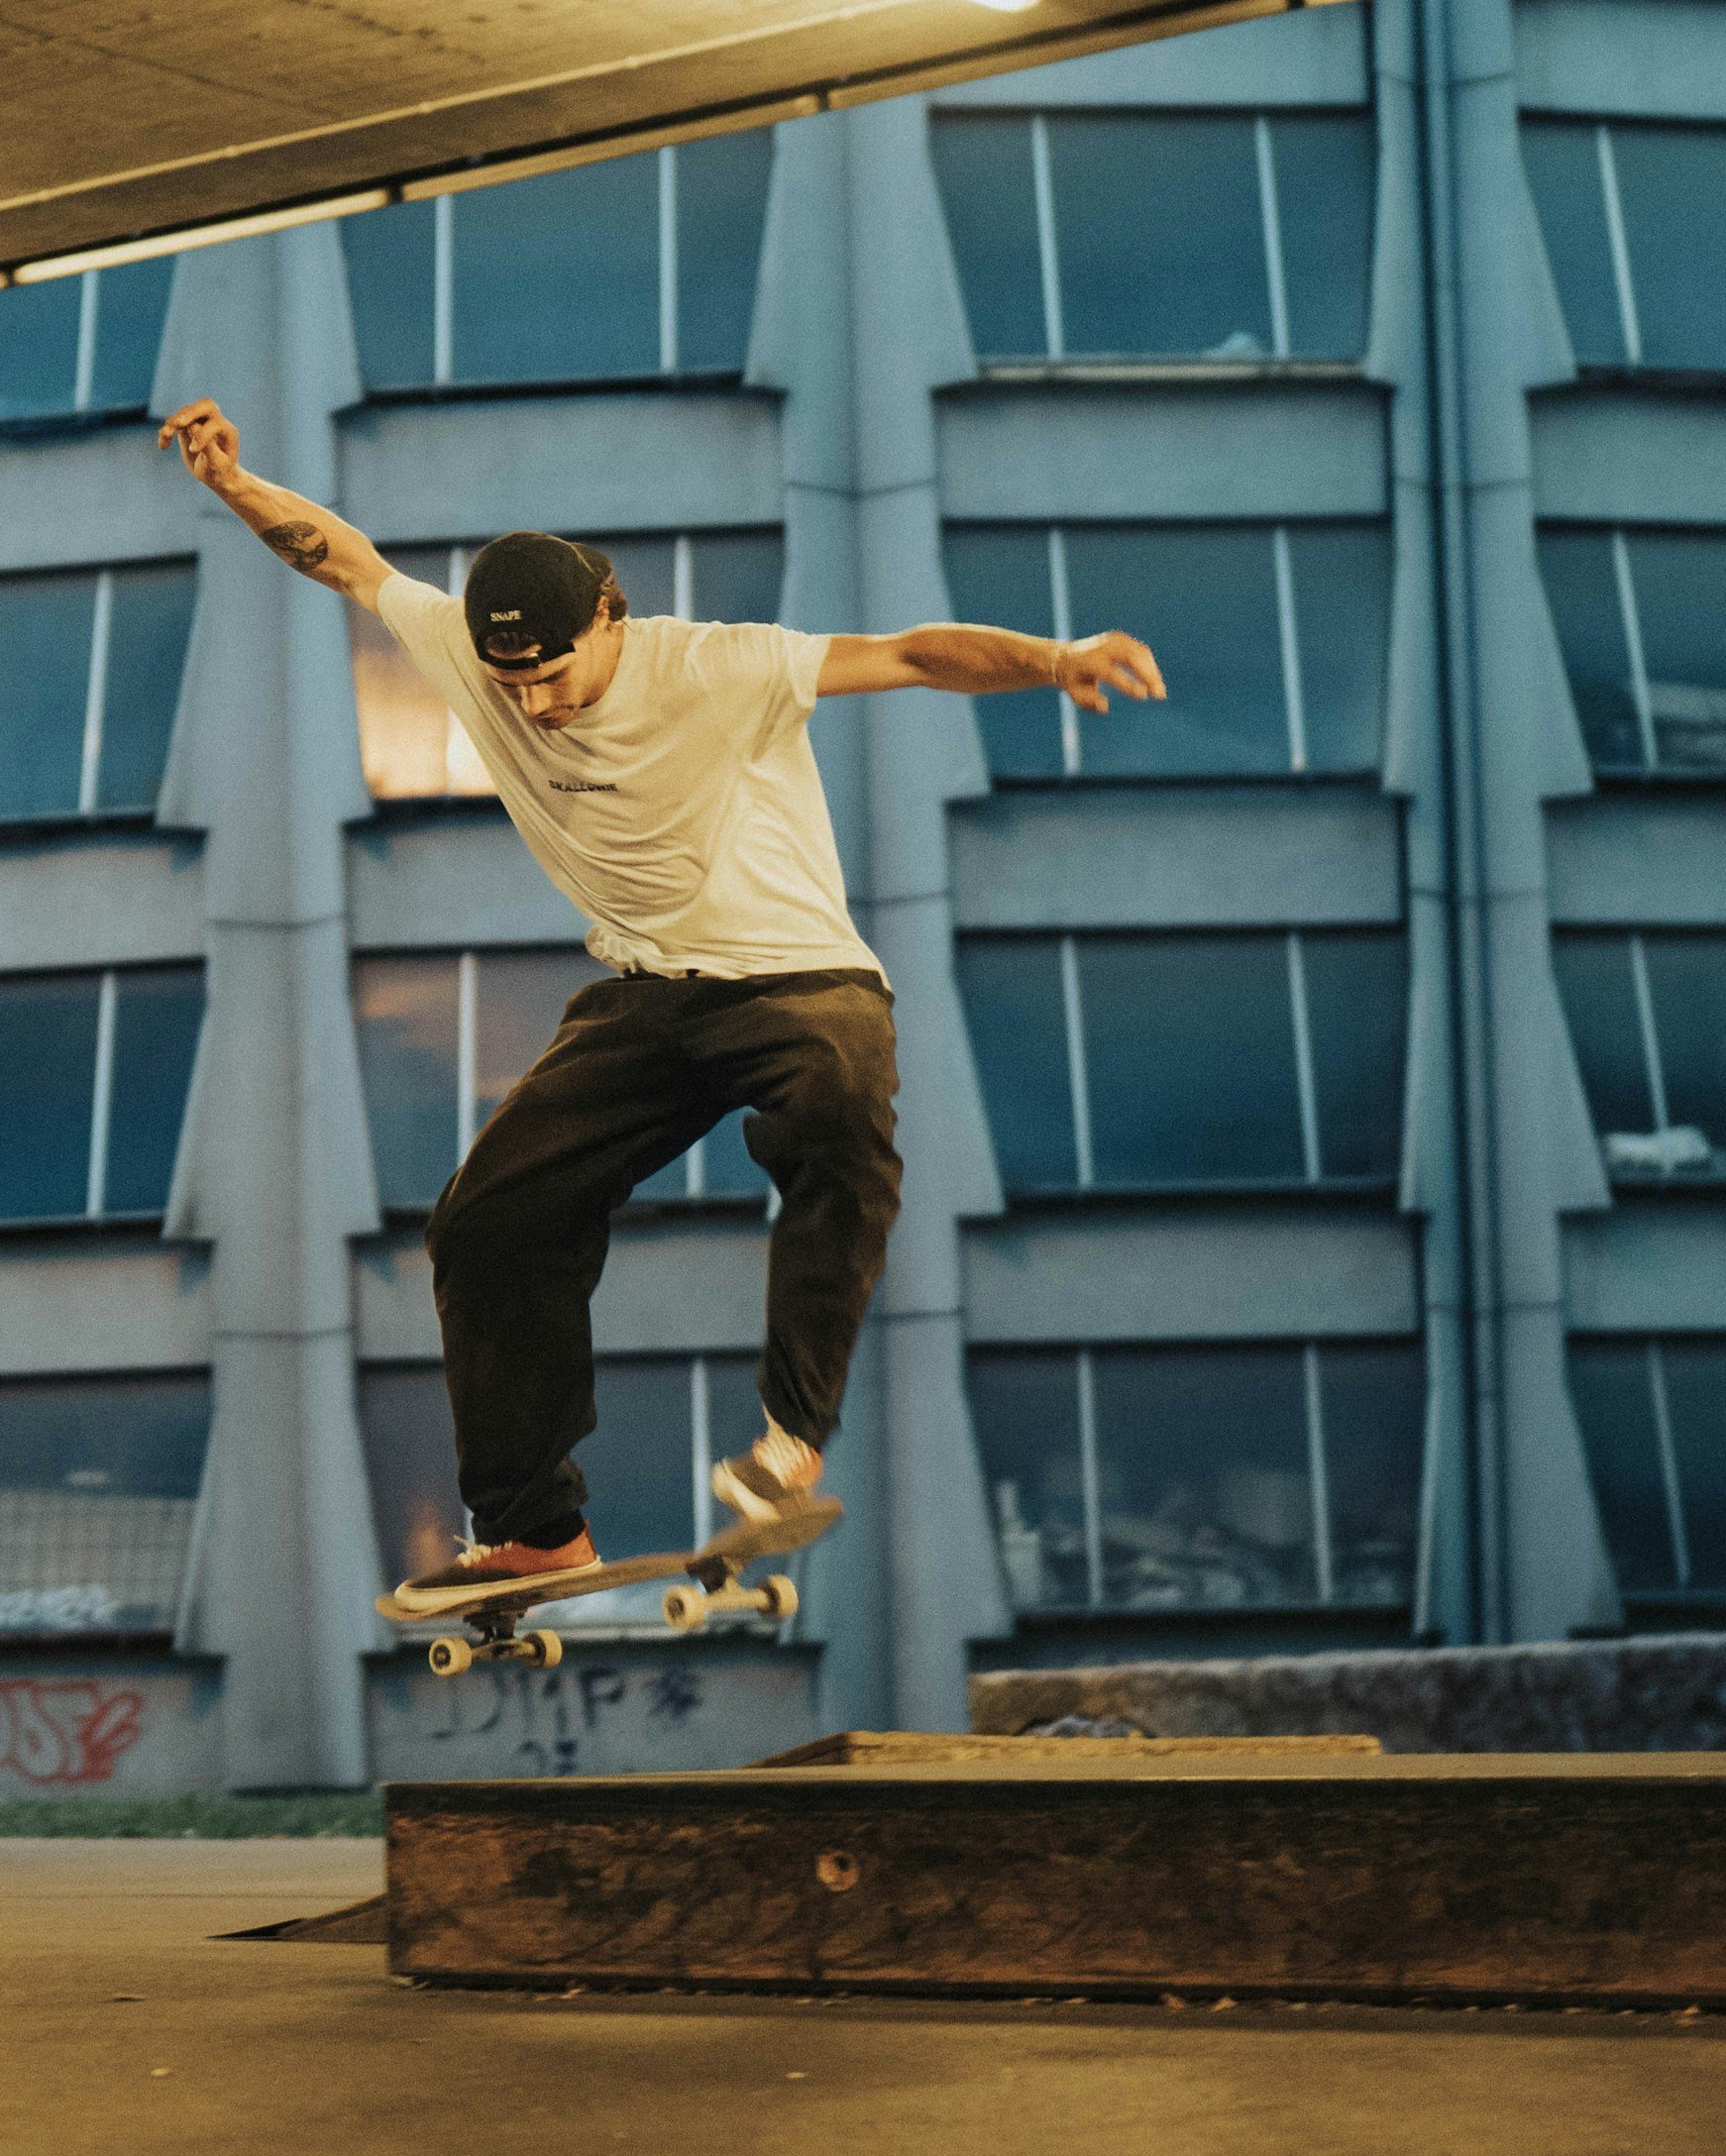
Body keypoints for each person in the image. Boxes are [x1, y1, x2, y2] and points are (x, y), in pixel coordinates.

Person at [160, 396, 1164, 1598]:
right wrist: (235, 484)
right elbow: (351, 559)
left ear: (608, 620)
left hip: (798, 979)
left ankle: (785, 1446)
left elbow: (905, 653)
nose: (531, 704)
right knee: (485, 1222)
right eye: (507, 682)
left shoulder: (716, 663)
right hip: (644, 998)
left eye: (552, 673)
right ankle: (533, 1524)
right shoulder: (470, 653)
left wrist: (1051, 660)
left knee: (839, 1107)